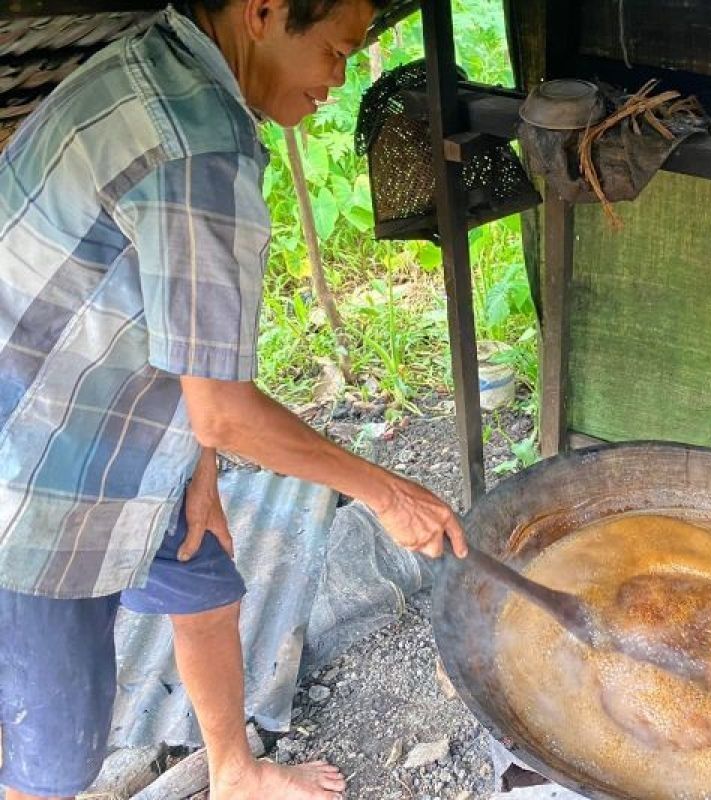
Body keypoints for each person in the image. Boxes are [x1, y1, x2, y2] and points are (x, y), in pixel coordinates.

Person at [0, 1, 468, 798]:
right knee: (53, 752)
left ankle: (234, 771)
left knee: (202, 580)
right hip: (38, 467)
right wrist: (388, 494)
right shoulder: (200, 149)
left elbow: (187, 349)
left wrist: (202, 468)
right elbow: (222, 406)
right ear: (263, 12)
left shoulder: (157, 60)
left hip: (119, 409)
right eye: (334, 48)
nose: (340, 77)